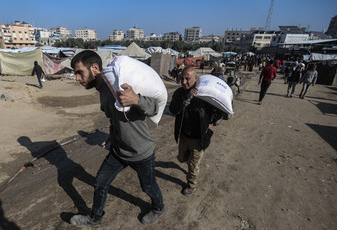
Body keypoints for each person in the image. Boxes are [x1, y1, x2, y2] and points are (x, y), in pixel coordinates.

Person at [69, 50, 164, 228]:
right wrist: (113, 135)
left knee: (148, 187)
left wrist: (136, 99)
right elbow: (114, 118)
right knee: (100, 183)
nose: (77, 78)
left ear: (95, 68)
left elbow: (154, 108)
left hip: (141, 152)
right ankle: (95, 218)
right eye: (75, 73)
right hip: (118, 150)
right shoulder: (102, 90)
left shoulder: (119, 83)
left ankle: (158, 207)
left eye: (79, 72)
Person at [169, 67, 223, 196]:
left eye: (187, 79)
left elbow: (220, 111)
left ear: (196, 79)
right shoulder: (179, 93)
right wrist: (187, 98)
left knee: (193, 165)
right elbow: (173, 109)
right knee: (182, 159)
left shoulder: (205, 94)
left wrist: (211, 123)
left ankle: (191, 184)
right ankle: (189, 163)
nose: (183, 82)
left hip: (199, 137)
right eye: (182, 78)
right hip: (184, 135)